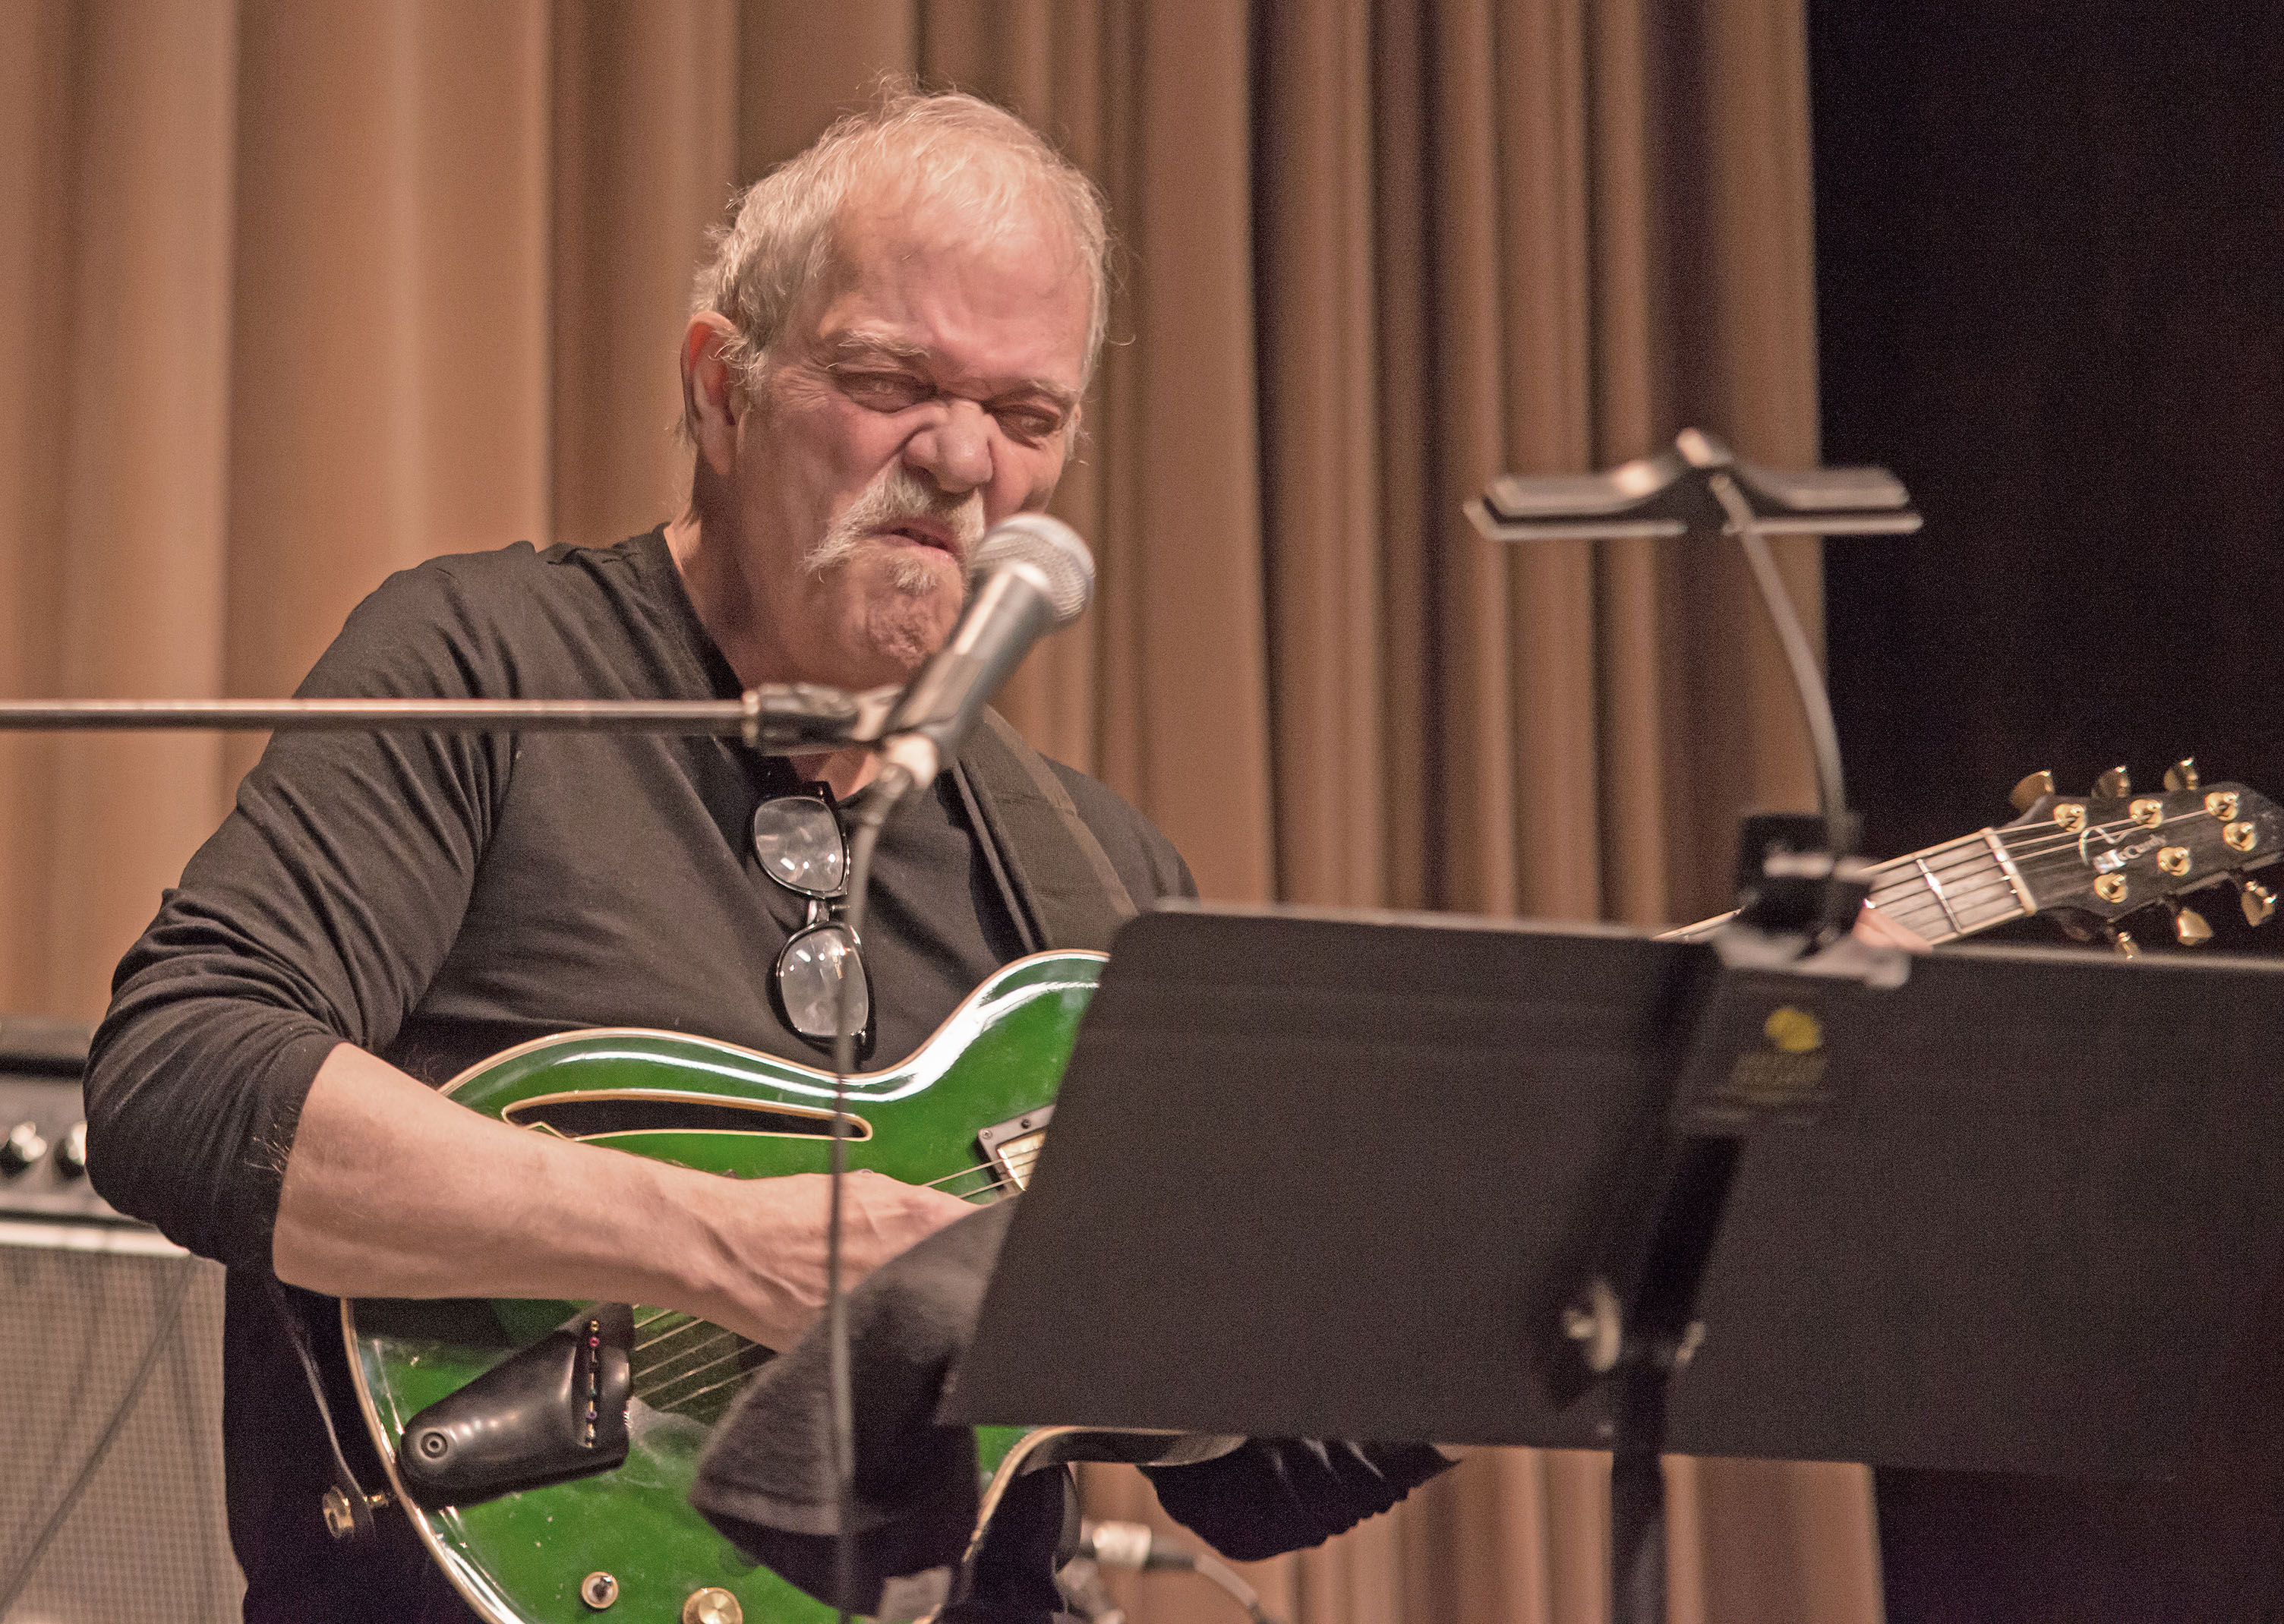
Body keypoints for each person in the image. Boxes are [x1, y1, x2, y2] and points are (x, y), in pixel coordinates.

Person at [86, 91, 1206, 1622]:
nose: (959, 460)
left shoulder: (1096, 877)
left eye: (1026, 415)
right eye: (891, 381)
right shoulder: (493, 664)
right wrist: (732, 1242)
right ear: (721, 387)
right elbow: (184, 1075)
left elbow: (1240, 1455)